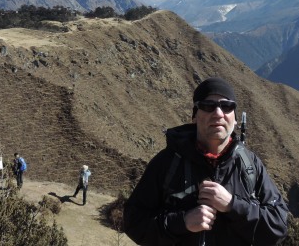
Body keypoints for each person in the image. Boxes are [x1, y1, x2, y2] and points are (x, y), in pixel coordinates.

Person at [123, 77, 289, 245]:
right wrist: (182, 222)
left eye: (226, 106)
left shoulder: (250, 165)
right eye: (208, 106)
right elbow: (133, 222)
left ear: (235, 118)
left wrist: (233, 205)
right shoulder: (168, 162)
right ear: (195, 116)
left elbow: (278, 227)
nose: (218, 113)